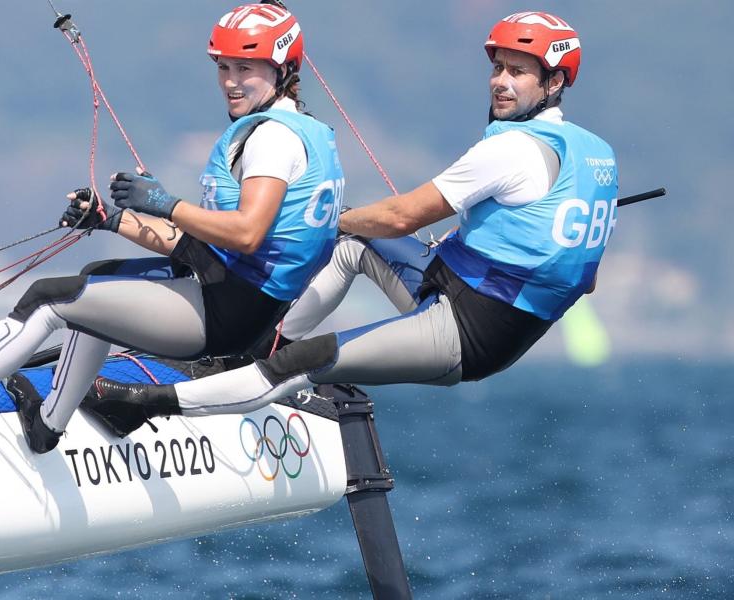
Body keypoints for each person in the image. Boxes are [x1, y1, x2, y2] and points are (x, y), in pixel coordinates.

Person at [86, 11, 620, 436]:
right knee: (356, 242)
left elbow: (402, 216)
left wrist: (330, 222)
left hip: (465, 333)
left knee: (309, 359)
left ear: (553, 81)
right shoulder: (595, 155)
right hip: (457, 292)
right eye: (498, 67)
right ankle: (254, 349)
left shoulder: (513, 150)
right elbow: (582, 275)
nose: (500, 82)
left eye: (517, 72)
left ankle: (150, 404)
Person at [0, 3, 345, 453]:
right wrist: (113, 219)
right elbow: (201, 245)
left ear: (282, 70)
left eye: (246, 70)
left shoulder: (273, 140)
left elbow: (245, 234)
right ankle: (47, 425)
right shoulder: (303, 130)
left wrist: (167, 204)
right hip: (234, 298)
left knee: (49, 298)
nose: (232, 82)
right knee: (101, 278)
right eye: (224, 68)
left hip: (228, 313)